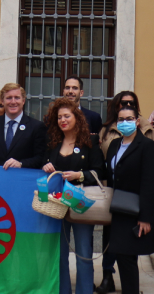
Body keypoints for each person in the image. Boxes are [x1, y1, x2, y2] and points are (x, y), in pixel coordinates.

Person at [42, 97, 104, 294]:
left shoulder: (91, 141)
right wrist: (46, 166)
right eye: (59, 117)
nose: (63, 120)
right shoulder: (53, 142)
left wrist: (80, 175)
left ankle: (85, 291)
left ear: (77, 117)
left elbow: (100, 172)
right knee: (59, 254)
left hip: (80, 202)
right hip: (57, 203)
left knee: (84, 253)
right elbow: (45, 168)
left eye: (67, 116)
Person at [96, 90, 154, 294]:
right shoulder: (113, 144)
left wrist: (145, 217)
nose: (124, 122)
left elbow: (149, 182)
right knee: (120, 256)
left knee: (127, 258)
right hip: (116, 208)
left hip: (134, 210)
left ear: (137, 121)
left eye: (129, 119)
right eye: (121, 119)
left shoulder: (146, 146)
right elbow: (107, 172)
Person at [0, 83, 47, 169]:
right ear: (3, 101)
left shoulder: (36, 126)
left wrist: (21, 164)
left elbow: (40, 158)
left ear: (23, 101)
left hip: (21, 179)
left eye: (17, 98)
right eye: (9, 98)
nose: (13, 102)